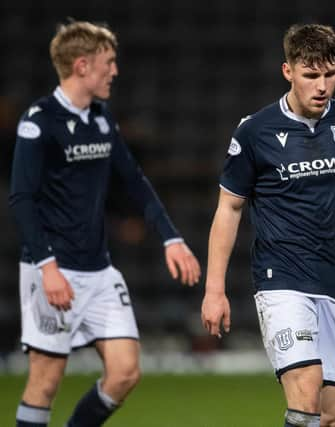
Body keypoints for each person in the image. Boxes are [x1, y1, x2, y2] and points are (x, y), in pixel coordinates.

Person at [201, 24, 335, 427]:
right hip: (281, 280)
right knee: (307, 391)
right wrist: (215, 290)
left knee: (333, 415)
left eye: (330, 74)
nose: (322, 86)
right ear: (288, 72)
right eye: (311, 75)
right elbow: (228, 211)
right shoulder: (255, 132)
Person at [8, 21, 201, 427]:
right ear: (82, 66)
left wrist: (171, 238)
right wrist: (48, 268)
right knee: (45, 382)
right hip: (52, 271)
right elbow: (21, 200)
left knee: (125, 371)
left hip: (98, 270)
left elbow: (134, 181)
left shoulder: (100, 119)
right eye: (108, 63)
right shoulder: (39, 122)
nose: (115, 71)